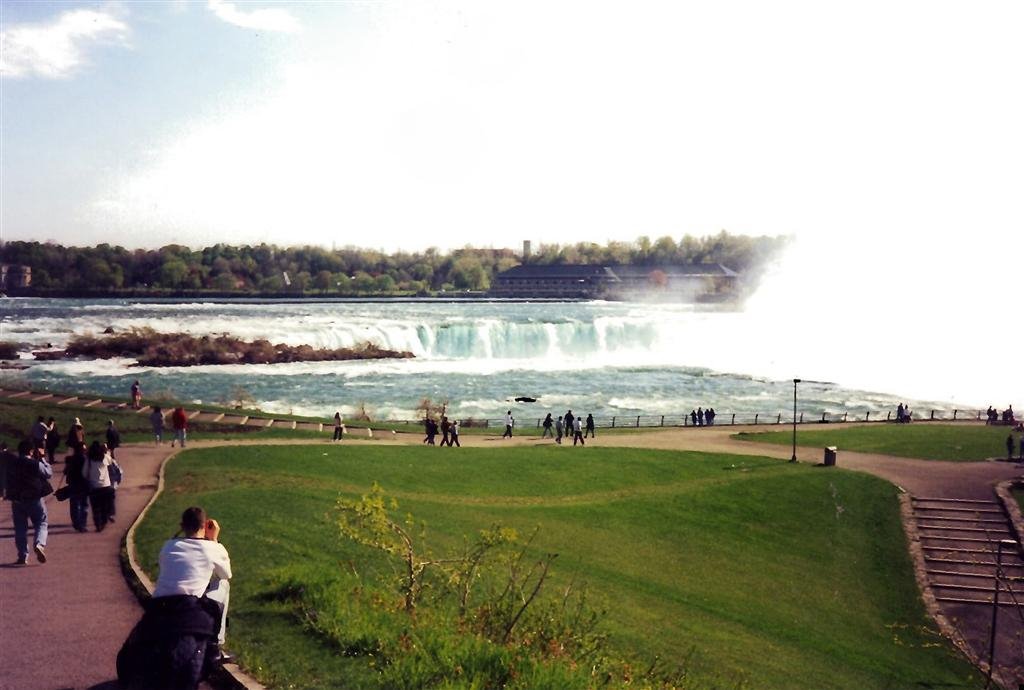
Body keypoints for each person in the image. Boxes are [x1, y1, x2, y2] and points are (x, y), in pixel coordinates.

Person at [117, 506, 232, 689]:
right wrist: (214, 540)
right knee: (222, 585)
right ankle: (216, 644)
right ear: (205, 525)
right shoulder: (212, 548)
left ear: (182, 525)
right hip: (190, 606)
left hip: (160, 604)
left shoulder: (168, 546)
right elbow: (226, 574)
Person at [4, 440, 52, 565]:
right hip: (35, 498)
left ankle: (23, 555)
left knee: (20, 528)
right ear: (31, 451)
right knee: (41, 522)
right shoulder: (34, 463)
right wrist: (42, 458)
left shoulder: (12, 464)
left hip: (17, 500)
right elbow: (48, 473)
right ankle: (39, 543)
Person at [84, 440, 116, 531]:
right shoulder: (105, 457)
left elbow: (84, 473)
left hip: (94, 487)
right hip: (106, 486)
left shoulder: (89, 460)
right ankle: (104, 521)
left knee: (95, 507)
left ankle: (98, 524)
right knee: (104, 506)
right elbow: (111, 462)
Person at [64, 443, 90, 532]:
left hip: (73, 483)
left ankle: (77, 523)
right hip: (82, 484)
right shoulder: (85, 459)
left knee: (75, 505)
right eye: (84, 450)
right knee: (83, 505)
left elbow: (65, 471)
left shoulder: (70, 459)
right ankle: (82, 524)